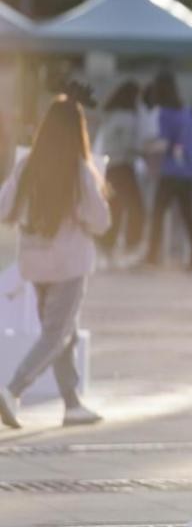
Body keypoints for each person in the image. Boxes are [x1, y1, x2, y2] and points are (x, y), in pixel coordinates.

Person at [0, 84, 111, 429]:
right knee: (56, 335)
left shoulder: (27, 166)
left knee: (65, 333)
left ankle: (72, 405)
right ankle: (12, 389)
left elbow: (4, 207)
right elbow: (101, 221)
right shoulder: (79, 170)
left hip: (35, 265)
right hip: (68, 265)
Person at [143, 71, 192, 270]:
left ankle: (152, 256)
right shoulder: (186, 112)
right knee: (188, 216)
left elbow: (164, 143)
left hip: (170, 171)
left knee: (158, 214)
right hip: (188, 170)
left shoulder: (164, 113)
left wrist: (145, 148)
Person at [96, 80, 151, 265]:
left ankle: (107, 247)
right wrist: (144, 149)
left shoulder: (111, 115)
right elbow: (130, 144)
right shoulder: (129, 118)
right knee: (137, 208)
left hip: (110, 168)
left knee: (114, 209)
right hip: (124, 167)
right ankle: (130, 245)